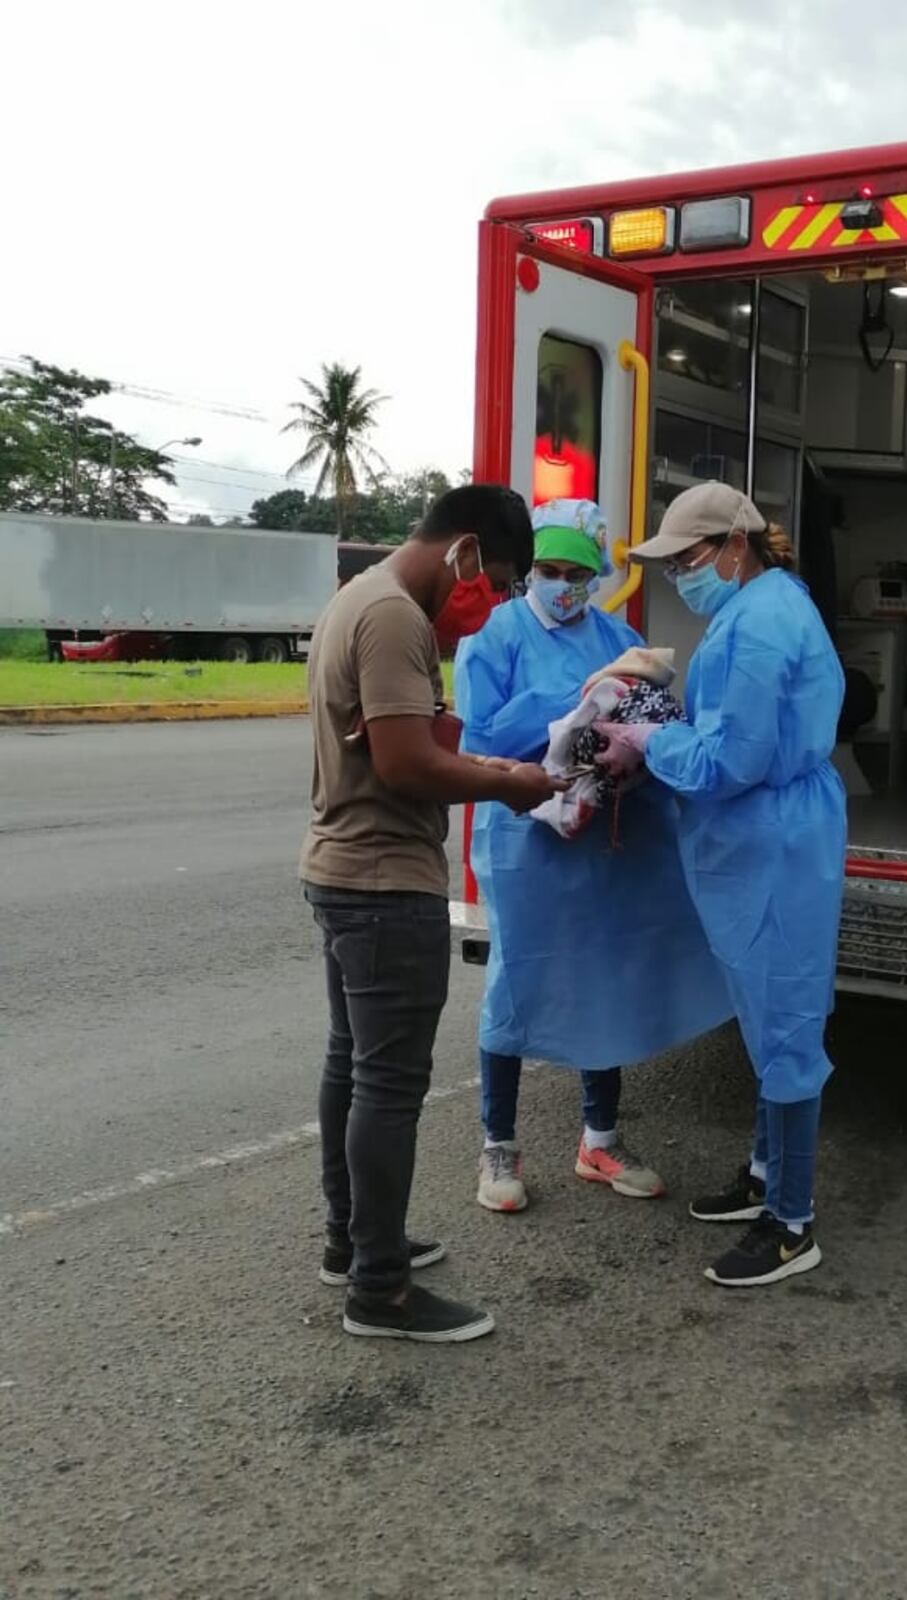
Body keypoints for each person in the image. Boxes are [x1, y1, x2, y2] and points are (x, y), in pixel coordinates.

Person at [300, 484, 562, 1344]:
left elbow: (401, 741)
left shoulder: (359, 598)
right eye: (498, 581)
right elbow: (407, 764)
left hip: (347, 871)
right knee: (388, 1085)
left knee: (354, 1065)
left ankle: (356, 1244)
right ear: (465, 553)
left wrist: (476, 759)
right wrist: (509, 784)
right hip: (383, 884)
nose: (488, 606)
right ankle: (380, 1292)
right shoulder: (393, 618)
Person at [596, 481, 846, 1288]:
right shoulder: (762, 605)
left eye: (688, 559)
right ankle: (767, 1178)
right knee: (766, 1018)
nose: (678, 578)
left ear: (734, 545)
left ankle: (791, 1222)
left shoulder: (760, 624)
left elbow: (729, 763)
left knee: (785, 1031)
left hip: (770, 843)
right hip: (767, 838)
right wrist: (668, 732)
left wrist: (648, 738)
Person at [454, 498, 731, 1213]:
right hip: (527, 841)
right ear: (529, 571)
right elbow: (477, 737)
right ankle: (498, 1148)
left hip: (604, 837)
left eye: (579, 573)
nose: (563, 585)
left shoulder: (616, 635)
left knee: (606, 976)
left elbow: (644, 719)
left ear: (601, 574)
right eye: (549, 570)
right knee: (517, 985)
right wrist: (570, 697)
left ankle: (599, 1140)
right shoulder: (494, 636)